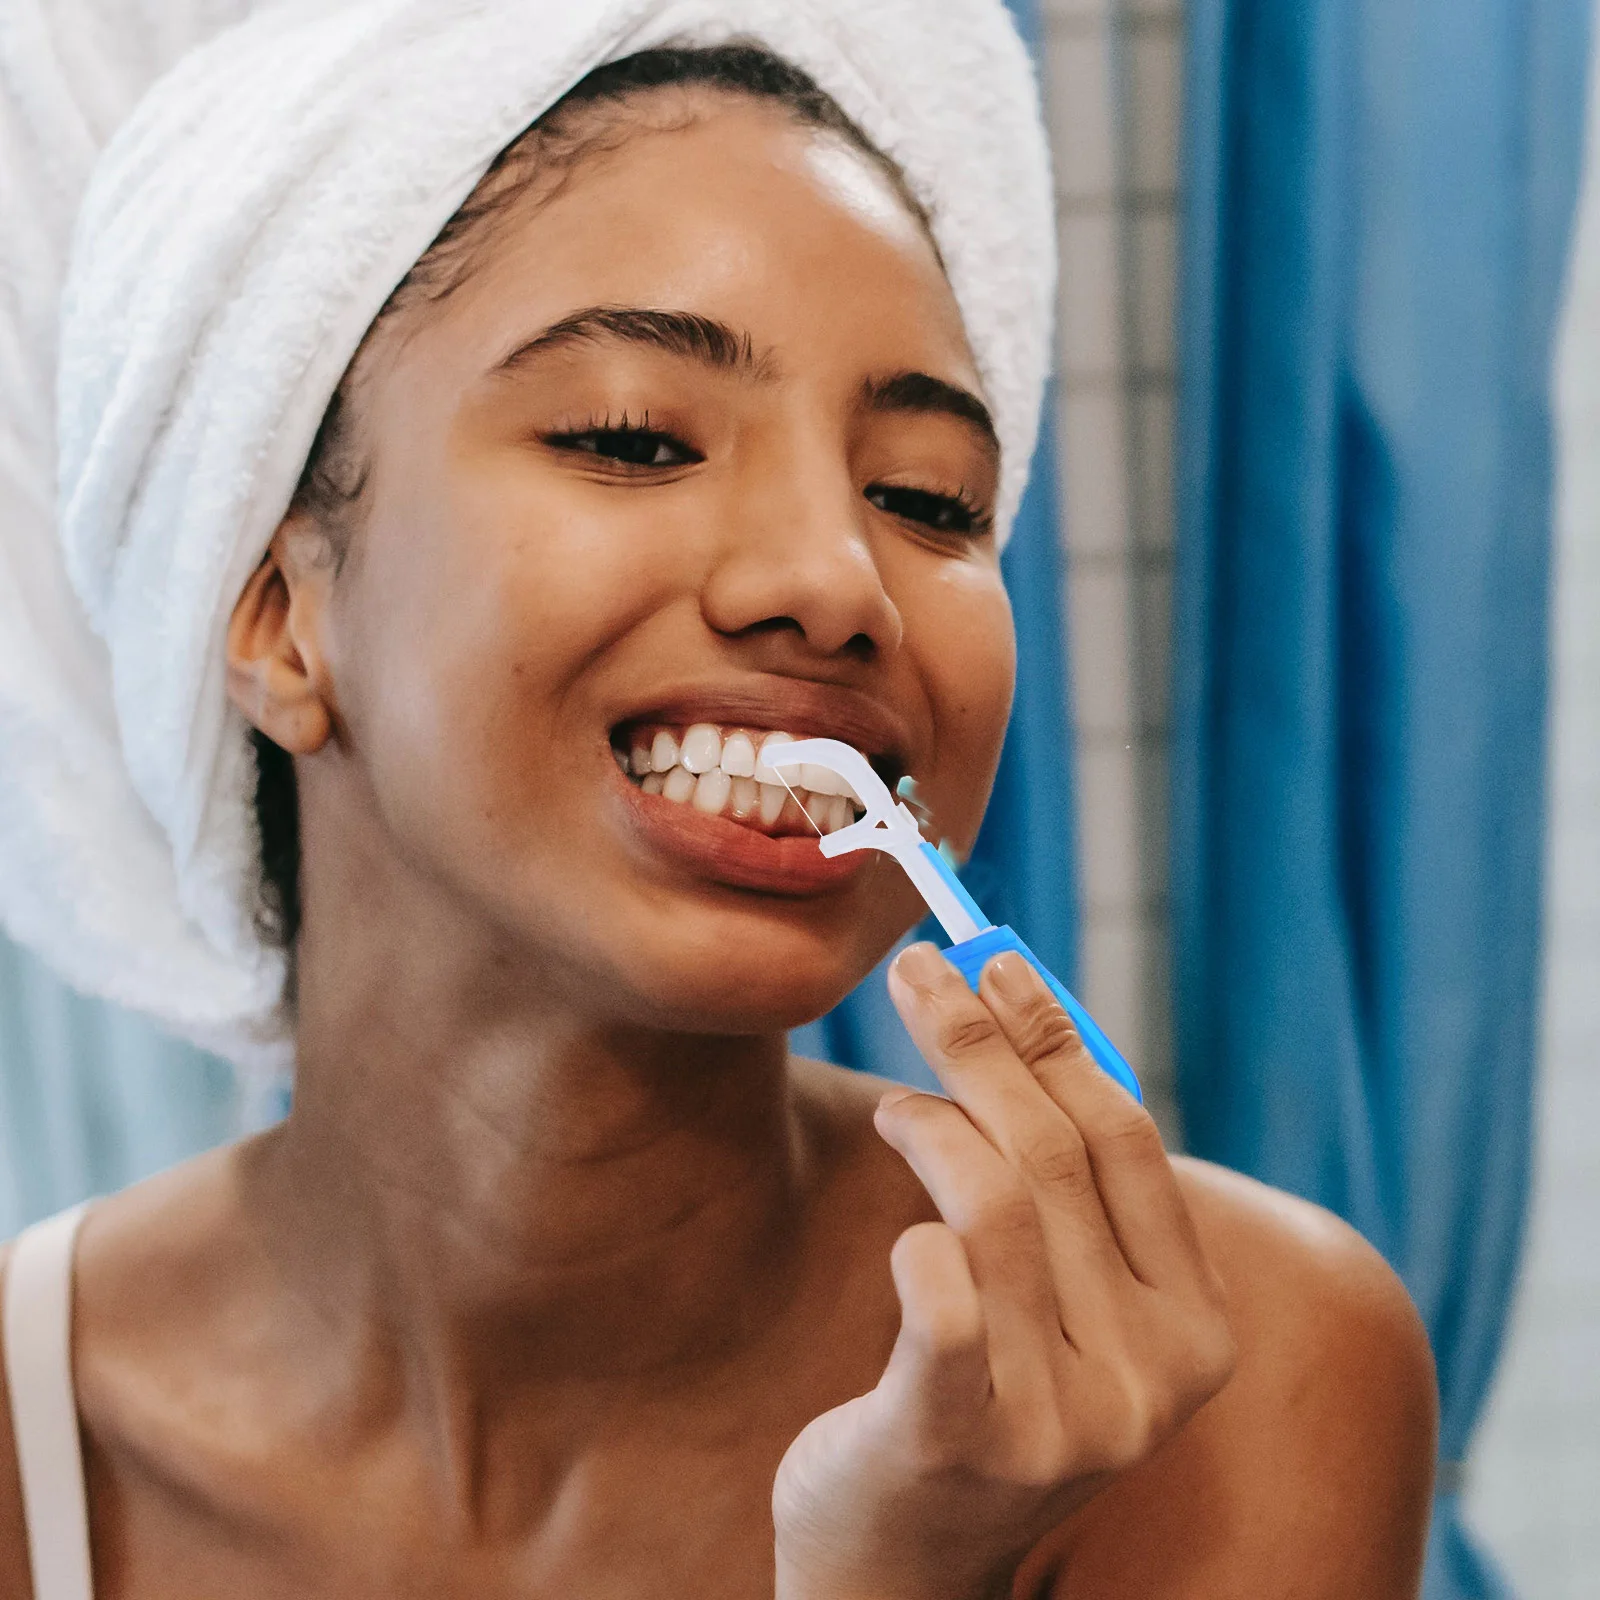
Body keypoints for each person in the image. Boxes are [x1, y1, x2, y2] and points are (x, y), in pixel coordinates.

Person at [0, 17, 1437, 1600]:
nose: (836, 582)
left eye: (929, 499)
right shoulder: (32, 1437)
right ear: (277, 614)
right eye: (630, 438)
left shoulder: (1239, 1383)